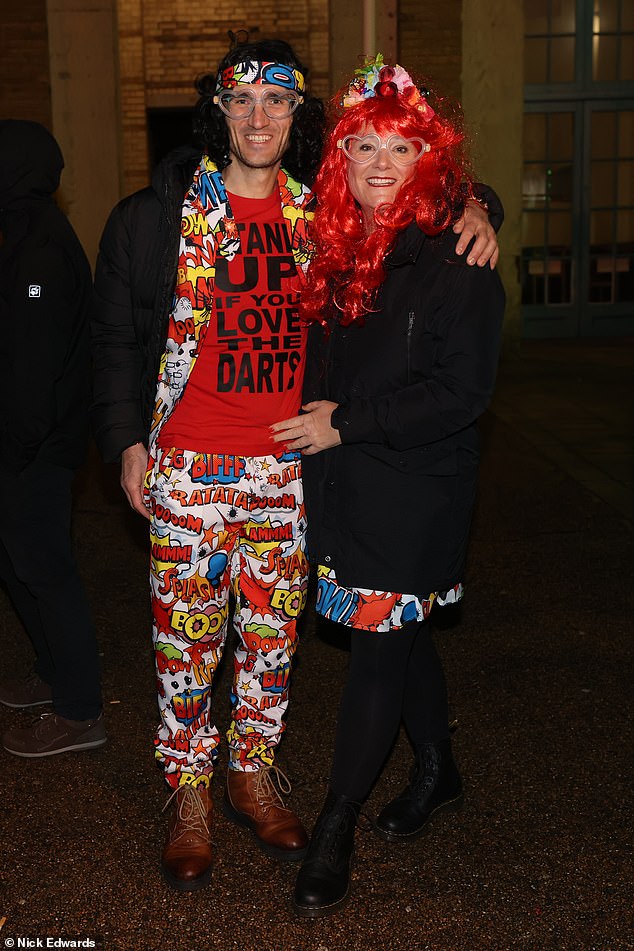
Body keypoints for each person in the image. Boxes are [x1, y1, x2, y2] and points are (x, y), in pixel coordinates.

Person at [91, 37, 499, 892]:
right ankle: (190, 795)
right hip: (188, 465)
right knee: (184, 645)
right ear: (219, 111)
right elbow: (116, 337)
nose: (258, 116)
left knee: (272, 642)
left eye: (277, 101)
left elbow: (414, 191)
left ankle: (251, 773)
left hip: (288, 471)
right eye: (241, 99)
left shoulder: (324, 214)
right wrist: (126, 438)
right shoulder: (162, 215)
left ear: (299, 117)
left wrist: (481, 206)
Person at [271, 55, 506, 917]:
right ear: (339, 157)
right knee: (400, 633)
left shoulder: (458, 254)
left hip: (413, 488)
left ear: (430, 162)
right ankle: (439, 766)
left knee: (377, 650)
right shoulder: (335, 242)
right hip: (342, 485)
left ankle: (335, 824)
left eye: (399, 149)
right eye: (362, 145)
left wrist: (348, 420)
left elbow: (462, 392)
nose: (378, 163)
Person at [0, 120, 105, 757]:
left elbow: (35, 367)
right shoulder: (23, 233)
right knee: (19, 565)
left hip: (34, 449)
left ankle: (80, 709)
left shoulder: (38, 248)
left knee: (47, 572)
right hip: (25, 445)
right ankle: (53, 673)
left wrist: (15, 450)